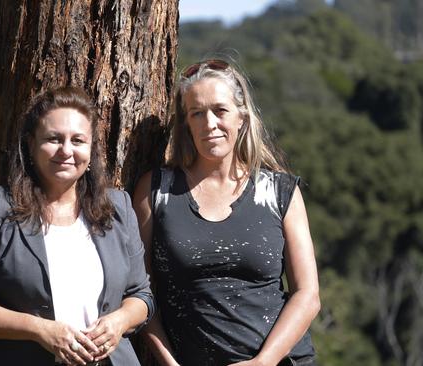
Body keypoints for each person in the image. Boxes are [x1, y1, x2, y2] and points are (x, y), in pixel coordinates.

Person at [0, 86, 154, 366]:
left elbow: (141, 295)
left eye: (78, 140)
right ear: (31, 145)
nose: (66, 151)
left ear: (91, 148)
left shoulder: (118, 208)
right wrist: (40, 330)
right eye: (54, 139)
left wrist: (119, 321)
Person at [133, 59, 320, 366]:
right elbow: (141, 293)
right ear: (186, 124)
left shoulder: (279, 191)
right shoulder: (155, 191)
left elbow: (308, 295)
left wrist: (263, 362)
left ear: (241, 118)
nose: (209, 124)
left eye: (220, 110)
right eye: (197, 113)